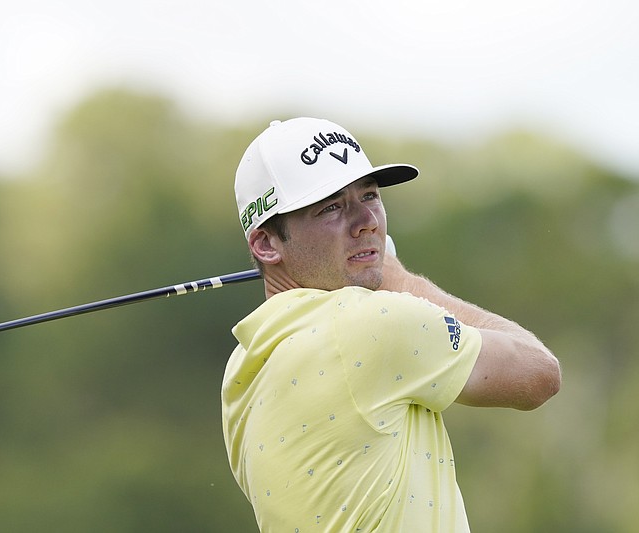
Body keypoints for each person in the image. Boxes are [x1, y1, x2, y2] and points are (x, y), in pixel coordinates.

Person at [221, 117, 561, 532]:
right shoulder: (370, 324)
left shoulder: (243, 368)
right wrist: (396, 275)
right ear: (266, 243)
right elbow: (538, 373)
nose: (367, 221)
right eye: (330, 206)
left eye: (369, 195)